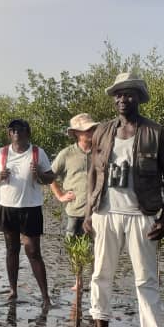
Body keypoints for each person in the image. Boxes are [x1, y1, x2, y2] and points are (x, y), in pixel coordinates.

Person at [84, 72, 164, 327]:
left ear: (139, 98)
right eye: (119, 94)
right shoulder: (102, 131)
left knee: (145, 279)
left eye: (130, 94)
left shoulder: (156, 133)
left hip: (142, 214)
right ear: (114, 100)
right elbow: (92, 173)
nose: (124, 99)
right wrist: (89, 211)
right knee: (101, 273)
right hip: (105, 212)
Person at [0, 119, 55, 306]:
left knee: (33, 251)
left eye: (20, 129)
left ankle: (45, 296)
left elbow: (51, 177)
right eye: (13, 130)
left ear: (27, 133)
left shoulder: (37, 152)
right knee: (11, 249)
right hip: (6, 206)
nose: (16, 132)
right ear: (9, 134)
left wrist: (39, 174)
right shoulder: (2, 153)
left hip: (30, 207)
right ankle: (13, 290)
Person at [51, 113, 98, 293]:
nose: (90, 132)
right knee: (74, 247)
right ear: (77, 133)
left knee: (97, 248)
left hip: (98, 210)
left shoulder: (101, 151)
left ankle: (95, 281)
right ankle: (78, 280)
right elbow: (50, 176)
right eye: (87, 130)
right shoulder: (67, 154)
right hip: (74, 210)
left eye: (92, 128)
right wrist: (60, 195)